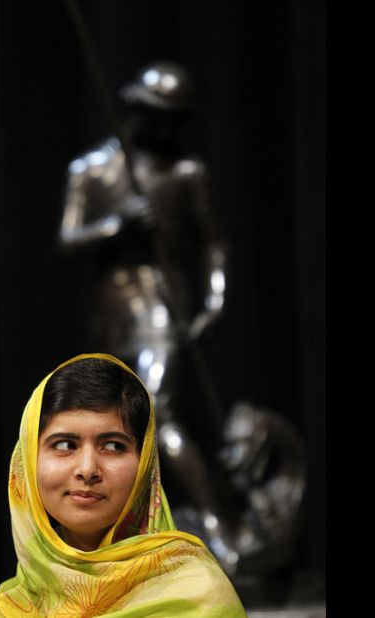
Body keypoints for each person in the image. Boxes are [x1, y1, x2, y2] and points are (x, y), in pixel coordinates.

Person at [57, 62, 240, 568]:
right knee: (112, 421)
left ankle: (218, 526)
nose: (163, 126)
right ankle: (120, 535)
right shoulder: (92, 169)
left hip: (160, 306)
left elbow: (212, 241)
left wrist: (215, 299)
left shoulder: (185, 173)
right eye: (155, 114)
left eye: (172, 118)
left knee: (156, 408)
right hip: (110, 308)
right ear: (135, 110)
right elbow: (68, 239)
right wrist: (116, 226)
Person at [0, 353, 245, 617]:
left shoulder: (199, 596)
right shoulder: (8, 609)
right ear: (28, 461)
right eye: (64, 445)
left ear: (144, 465)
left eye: (113, 446)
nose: (87, 470)